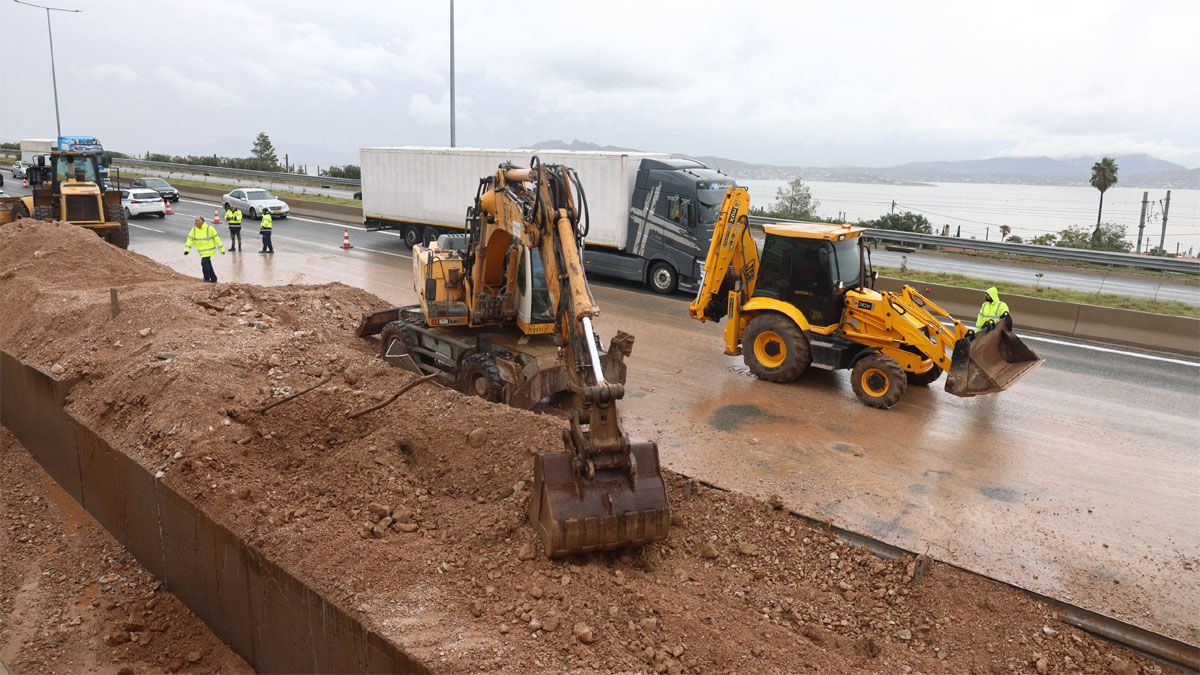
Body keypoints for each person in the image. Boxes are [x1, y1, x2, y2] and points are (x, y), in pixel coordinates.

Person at [183, 215, 226, 283]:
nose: (195, 222)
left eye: (197, 220)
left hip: (209, 250)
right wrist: (187, 249)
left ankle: (207, 279)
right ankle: (214, 278)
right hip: (202, 252)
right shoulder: (194, 230)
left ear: (202, 221)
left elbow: (217, 239)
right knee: (208, 263)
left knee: (204, 262)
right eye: (195, 220)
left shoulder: (210, 228)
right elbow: (190, 240)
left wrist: (222, 249)